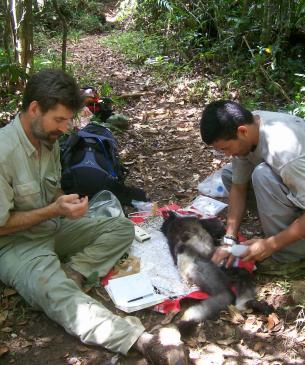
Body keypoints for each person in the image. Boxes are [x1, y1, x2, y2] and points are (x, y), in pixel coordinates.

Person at [0, 69, 188, 364]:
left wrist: (65, 202)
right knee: (53, 291)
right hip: (16, 244)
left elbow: (51, 190)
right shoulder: (3, 152)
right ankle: (140, 340)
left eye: (67, 120)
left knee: (120, 227)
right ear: (34, 109)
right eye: (59, 120)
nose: (65, 129)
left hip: (52, 226)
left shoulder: (45, 139)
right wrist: (54, 209)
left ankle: (74, 273)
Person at [200, 100, 305, 273]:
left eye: (226, 148)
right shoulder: (249, 126)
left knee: (262, 174)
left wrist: (271, 245)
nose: (227, 154)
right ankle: (282, 231)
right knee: (229, 174)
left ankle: (290, 258)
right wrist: (229, 239)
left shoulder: (287, 154)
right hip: (295, 190)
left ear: (242, 131)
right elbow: (238, 187)